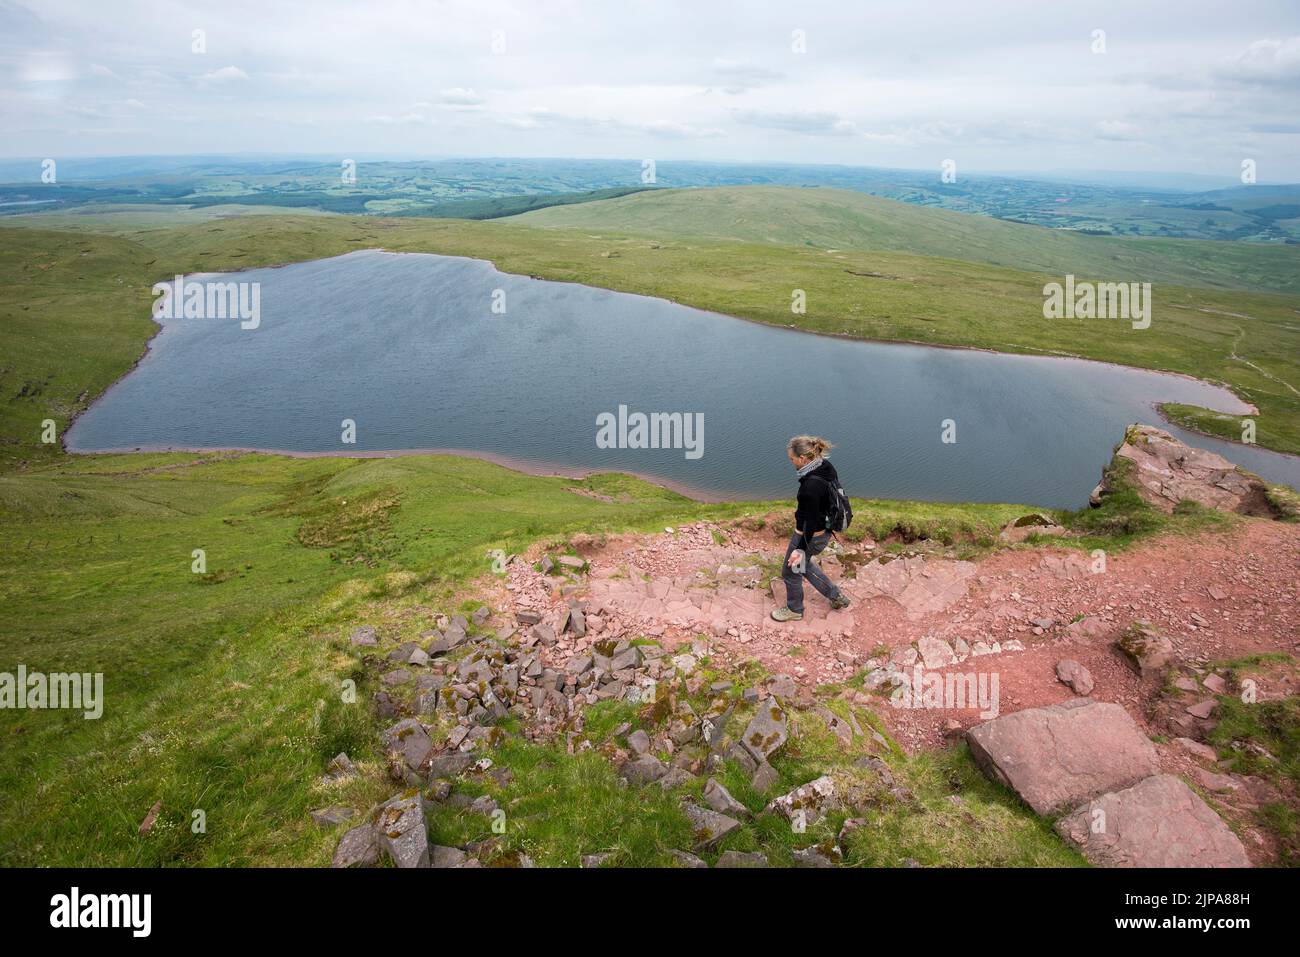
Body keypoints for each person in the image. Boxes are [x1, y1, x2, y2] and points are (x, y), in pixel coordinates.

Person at [771, 435, 851, 622]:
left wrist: (799, 550)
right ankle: (835, 596)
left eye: (792, 459)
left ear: (803, 459)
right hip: (824, 532)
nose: (791, 462)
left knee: (791, 572)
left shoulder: (811, 486)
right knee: (804, 566)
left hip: (810, 536)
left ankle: (795, 610)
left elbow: (811, 522)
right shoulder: (824, 467)